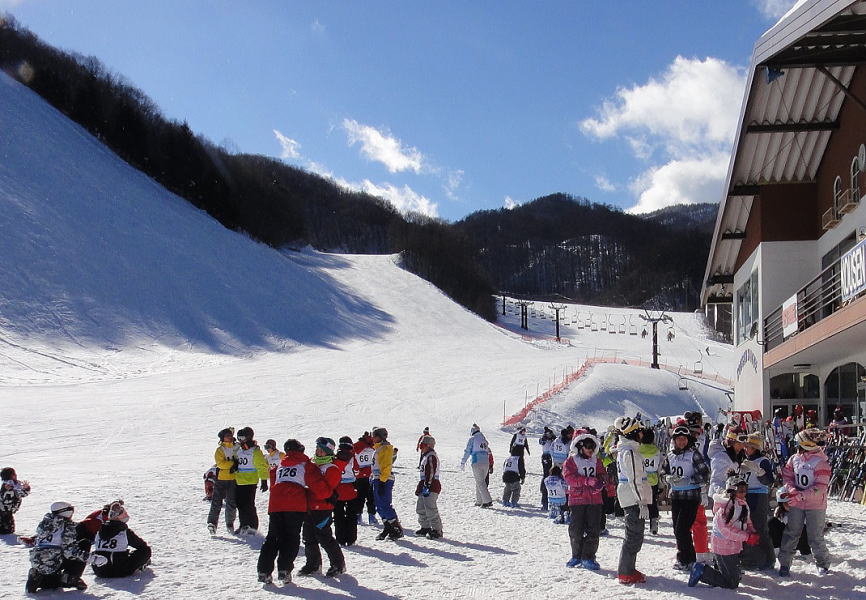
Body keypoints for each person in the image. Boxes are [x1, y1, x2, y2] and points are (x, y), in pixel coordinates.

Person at [256, 439, 330, 585]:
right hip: (295, 504)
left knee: (272, 537)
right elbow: (317, 484)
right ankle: (284, 570)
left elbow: (272, 476)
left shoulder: (280, 464)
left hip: (276, 503)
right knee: (291, 537)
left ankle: (263, 571)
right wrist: (328, 495)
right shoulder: (305, 463)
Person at [688, 473, 760, 589]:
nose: (744, 493)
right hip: (724, 547)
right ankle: (701, 571)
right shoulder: (725, 508)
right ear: (732, 490)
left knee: (731, 576)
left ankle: (719, 572)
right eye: (741, 490)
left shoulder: (741, 504)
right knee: (731, 583)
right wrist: (746, 537)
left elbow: (747, 521)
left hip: (733, 545)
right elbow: (726, 530)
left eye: (745, 489)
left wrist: (752, 531)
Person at [777, 428, 832, 577]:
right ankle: (784, 563)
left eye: (798, 442)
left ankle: (823, 564)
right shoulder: (795, 458)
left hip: (815, 505)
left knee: (815, 535)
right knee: (791, 532)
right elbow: (787, 476)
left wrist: (800, 495)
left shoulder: (821, 461)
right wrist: (791, 489)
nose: (796, 445)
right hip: (796, 502)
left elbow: (820, 487)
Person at [299, 437, 351, 578]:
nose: (318, 452)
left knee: (325, 537)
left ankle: (338, 564)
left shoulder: (331, 468)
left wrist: (311, 478)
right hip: (308, 506)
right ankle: (313, 564)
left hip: (322, 508)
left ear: (328, 452)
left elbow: (324, 492)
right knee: (308, 537)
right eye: (317, 450)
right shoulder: (313, 464)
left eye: (321, 451)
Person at [660, 425, 709, 571]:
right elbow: (663, 472)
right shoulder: (670, 456)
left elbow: (705, 474)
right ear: (674, 440)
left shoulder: (693, 454)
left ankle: (687, 558)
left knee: (682, 528)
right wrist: (667, 478)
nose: (681, 442)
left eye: (684, 439)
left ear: (688, 440)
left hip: (690, 497)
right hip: (676, 496)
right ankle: (686, 558)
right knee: (677, 529)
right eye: (678, 439)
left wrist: (689, 480)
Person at [614, 416, 651, 585]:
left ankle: (629, 568)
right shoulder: (628, 452)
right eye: (640, 431)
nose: (642, 435)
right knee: (633, 535)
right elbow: (634, 479)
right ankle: (625, 572)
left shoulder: (627, 450)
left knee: (635, 534)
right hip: (633, 497)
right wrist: (641, 501)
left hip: (630, 495)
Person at [562, 433, 606, 570]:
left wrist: (601, 482)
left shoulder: (596, 460)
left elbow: (602, 473)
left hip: (594, 499)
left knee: (594, 529)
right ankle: (576, 555)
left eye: (593, 447)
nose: (591, 450)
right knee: (576, 529)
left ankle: (588, 557)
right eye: (588, 447)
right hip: (577, 499)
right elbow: (569, 477)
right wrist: (586, 481)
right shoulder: (571, 461)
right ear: (580, 446)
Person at [26, 502, 89, 593]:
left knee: (50, 579)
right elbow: (70, 551)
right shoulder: (67, 526)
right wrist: (92, 558)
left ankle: (39, 576)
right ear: (65, 512)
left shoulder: (45, 523)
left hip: (38, 560)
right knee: (84, 544)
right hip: (55, 559)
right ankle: (70, 577)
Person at [738, 432, 776, 570]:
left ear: (755, 448)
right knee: (747, 527)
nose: (745, 448)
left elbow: (769, 480)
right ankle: (751, 557)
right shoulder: (745, 460)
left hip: (759, 496)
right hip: (746, 495)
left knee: (760, 527)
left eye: (748, 446)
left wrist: (759, 472)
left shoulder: (762, 460)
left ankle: (769, 559)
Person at [92, 501, 151, 578]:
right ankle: (140, 564)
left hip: (100, 571)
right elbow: (142, 546)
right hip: (120, 570)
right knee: (146, 550)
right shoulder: (124, 531)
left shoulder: (100, 530)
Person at [234, 426, 270, 535]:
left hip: (250, 481)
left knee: (248, 504)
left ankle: (252, 526)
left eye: (242, 437)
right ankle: (243, 524)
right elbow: (235, 460)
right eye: (239, 437)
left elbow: (261, 466)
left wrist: (264, 480)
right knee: (240, 504)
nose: (240, 440)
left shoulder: (255, 451)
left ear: (249, 437)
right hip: (239, 481)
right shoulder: (238, 449)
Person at [371, 427, 404, 539]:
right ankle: (388, 527)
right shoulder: (378, 448)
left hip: (384, 479)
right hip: (377, 478)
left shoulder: (385, 448)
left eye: (374, 436)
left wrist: (382, 481)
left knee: (385, 504)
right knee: (379, 505)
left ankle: (396, 528)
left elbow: (386, 466)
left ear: (380, 437)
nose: (372, 438)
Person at [207, 427, 238, 535]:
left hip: (233, 479)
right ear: (222, 438)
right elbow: (221, 464)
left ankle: (230, 523)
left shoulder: (236, 447)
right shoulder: (220, 450)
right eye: (227, 436)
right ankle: (212, 523)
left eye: (230, 435)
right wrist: (232, 464)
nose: (230, 437)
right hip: (221, 478)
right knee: (217, 502)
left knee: (231, 503)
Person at [333, 437, 359, 547]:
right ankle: (351, 538)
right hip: (350, 488)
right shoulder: (352, 456)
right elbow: (357, 470)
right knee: (351, 514)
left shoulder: (334, 456)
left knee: (338, 515)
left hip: (337, 488)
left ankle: (340, 538)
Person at [415, 435, 443, 539]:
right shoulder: (426, 456)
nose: (421, 448)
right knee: (421, 507)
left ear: (429, 446)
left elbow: (431, 471)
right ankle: (425, 527)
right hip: (425, 484)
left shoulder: (431, 456)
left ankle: (437, 530)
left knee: (430, 508)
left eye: (422, 446)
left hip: (431, 485)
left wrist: (427, 485)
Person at [460, 424, 493, 508]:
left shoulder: (473, 439)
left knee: (480, 482)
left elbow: (467, 450)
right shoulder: (484, 439)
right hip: (486, 462)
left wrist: (463, 461)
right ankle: (479, 500)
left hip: (476, 461)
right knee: (480, 481)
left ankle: (487, 501)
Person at [638, 428, 661, 535]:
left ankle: (639, 525)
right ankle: (654, 523)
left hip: (641, 479)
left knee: (640, 503)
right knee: (653, 502)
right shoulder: (657, 450)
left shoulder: (637, 450)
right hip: (653, 479)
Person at [352, 432, 378, 525]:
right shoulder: (373, 446)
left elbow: (353, 460)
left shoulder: (356, 446)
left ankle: (358, 515)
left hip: (359, 475)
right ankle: (372, 516)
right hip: (370, 475)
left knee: (359, 496)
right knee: (371, 497)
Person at [0, 466, 30, 534]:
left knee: (8, 529)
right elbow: (4, 500)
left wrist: (26, 488)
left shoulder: (17, 484)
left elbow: (23, 494)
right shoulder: (6, 486)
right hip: (4, 511)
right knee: (6, 531)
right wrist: (7, 490)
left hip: (9, 511)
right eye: (13, 474)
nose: (16, 475)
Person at [539, 427, 556, 510]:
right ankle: (543, 491)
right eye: (548, 434)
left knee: (551, 474)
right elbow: (541, 441)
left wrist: (552, 436)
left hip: (552, 456)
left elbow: (556, 441)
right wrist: (545, 436)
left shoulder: (552, 439)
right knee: (546, 474)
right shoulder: (544, 439)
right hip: (546, 456)